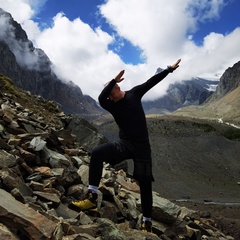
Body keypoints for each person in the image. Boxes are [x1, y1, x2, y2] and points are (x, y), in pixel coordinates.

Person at [71, 59, 181, 232]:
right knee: (97, 153)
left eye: (111, 94)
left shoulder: (134, 94)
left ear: (118, 90)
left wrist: (169, 70)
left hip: (142, 148)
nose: (109, 98)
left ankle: (147, 222)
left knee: (145, 183)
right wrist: (113, 80)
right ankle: (92, 198)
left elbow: (151, 82)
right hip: (125, 144)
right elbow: (101, 98)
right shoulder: (111, 105)